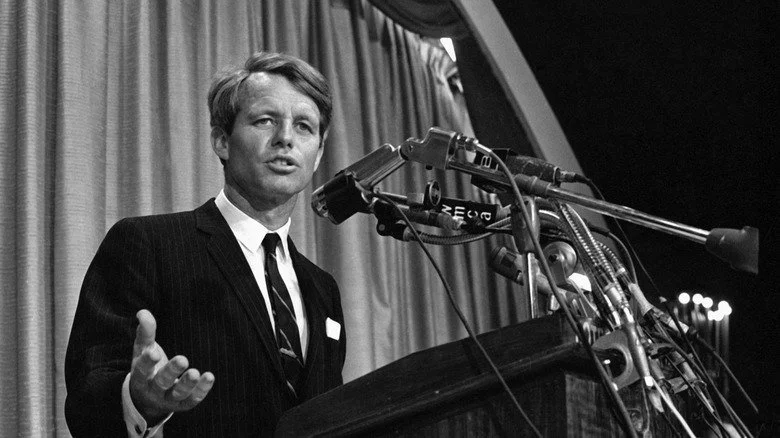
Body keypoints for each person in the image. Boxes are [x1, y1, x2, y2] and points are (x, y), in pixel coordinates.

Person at [65, 51, 346, 437]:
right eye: (266, 120)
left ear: (317, 156)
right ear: (221, 140)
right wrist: (138, 400)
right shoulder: (148, 244)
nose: (285, 138)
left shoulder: (322, 288)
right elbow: (86, 393)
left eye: (304, 126)